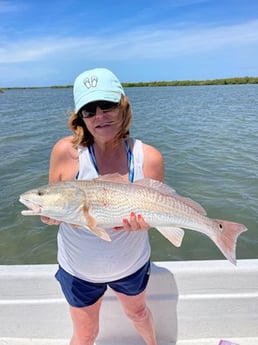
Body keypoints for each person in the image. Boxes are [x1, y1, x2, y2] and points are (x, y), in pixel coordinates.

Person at [41, 67, 164, 345]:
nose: (100, 116)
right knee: (85, 334)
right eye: (89, 110)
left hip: (131, 264)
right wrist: (50, 216)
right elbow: (53, 201)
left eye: (107, 105)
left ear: (123, 106)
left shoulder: (150, 157)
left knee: (139, 314)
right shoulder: (65, 152)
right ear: (80, 118)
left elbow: (157, 209)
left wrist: (148, 222)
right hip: (78, 270)